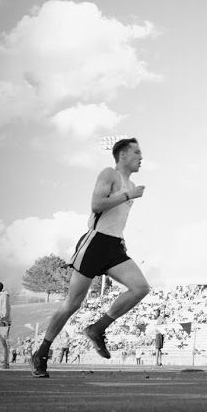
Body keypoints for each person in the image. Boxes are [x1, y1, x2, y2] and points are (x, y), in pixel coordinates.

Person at [32, 138, 150, 378]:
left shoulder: (131, 183)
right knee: (73, 303)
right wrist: (128, 195)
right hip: (94, 243)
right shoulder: (110, 174)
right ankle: (41, 352)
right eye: (137, 152)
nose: (141, 157)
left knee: (140, 288)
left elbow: (116, 219)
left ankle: (97, 328)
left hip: (114, 245)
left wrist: (122, 239)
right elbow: (97, 205)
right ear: (123, 155)